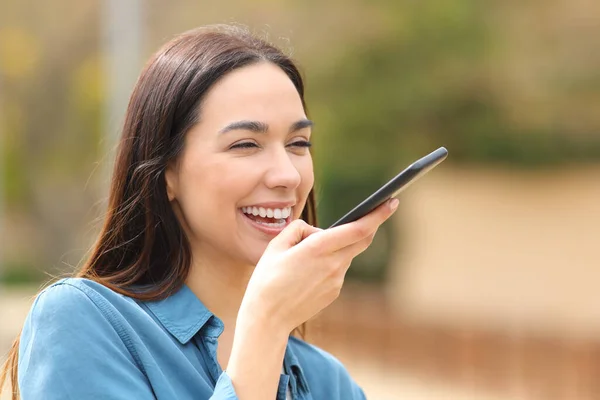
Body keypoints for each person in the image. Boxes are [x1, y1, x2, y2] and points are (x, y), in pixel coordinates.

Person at [0, 24, 398, 400]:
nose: (286, 175)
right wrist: (266, 326)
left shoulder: (327, 382)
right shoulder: (82, 322)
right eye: (245, 144)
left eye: (298, 143)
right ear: (167, 172)